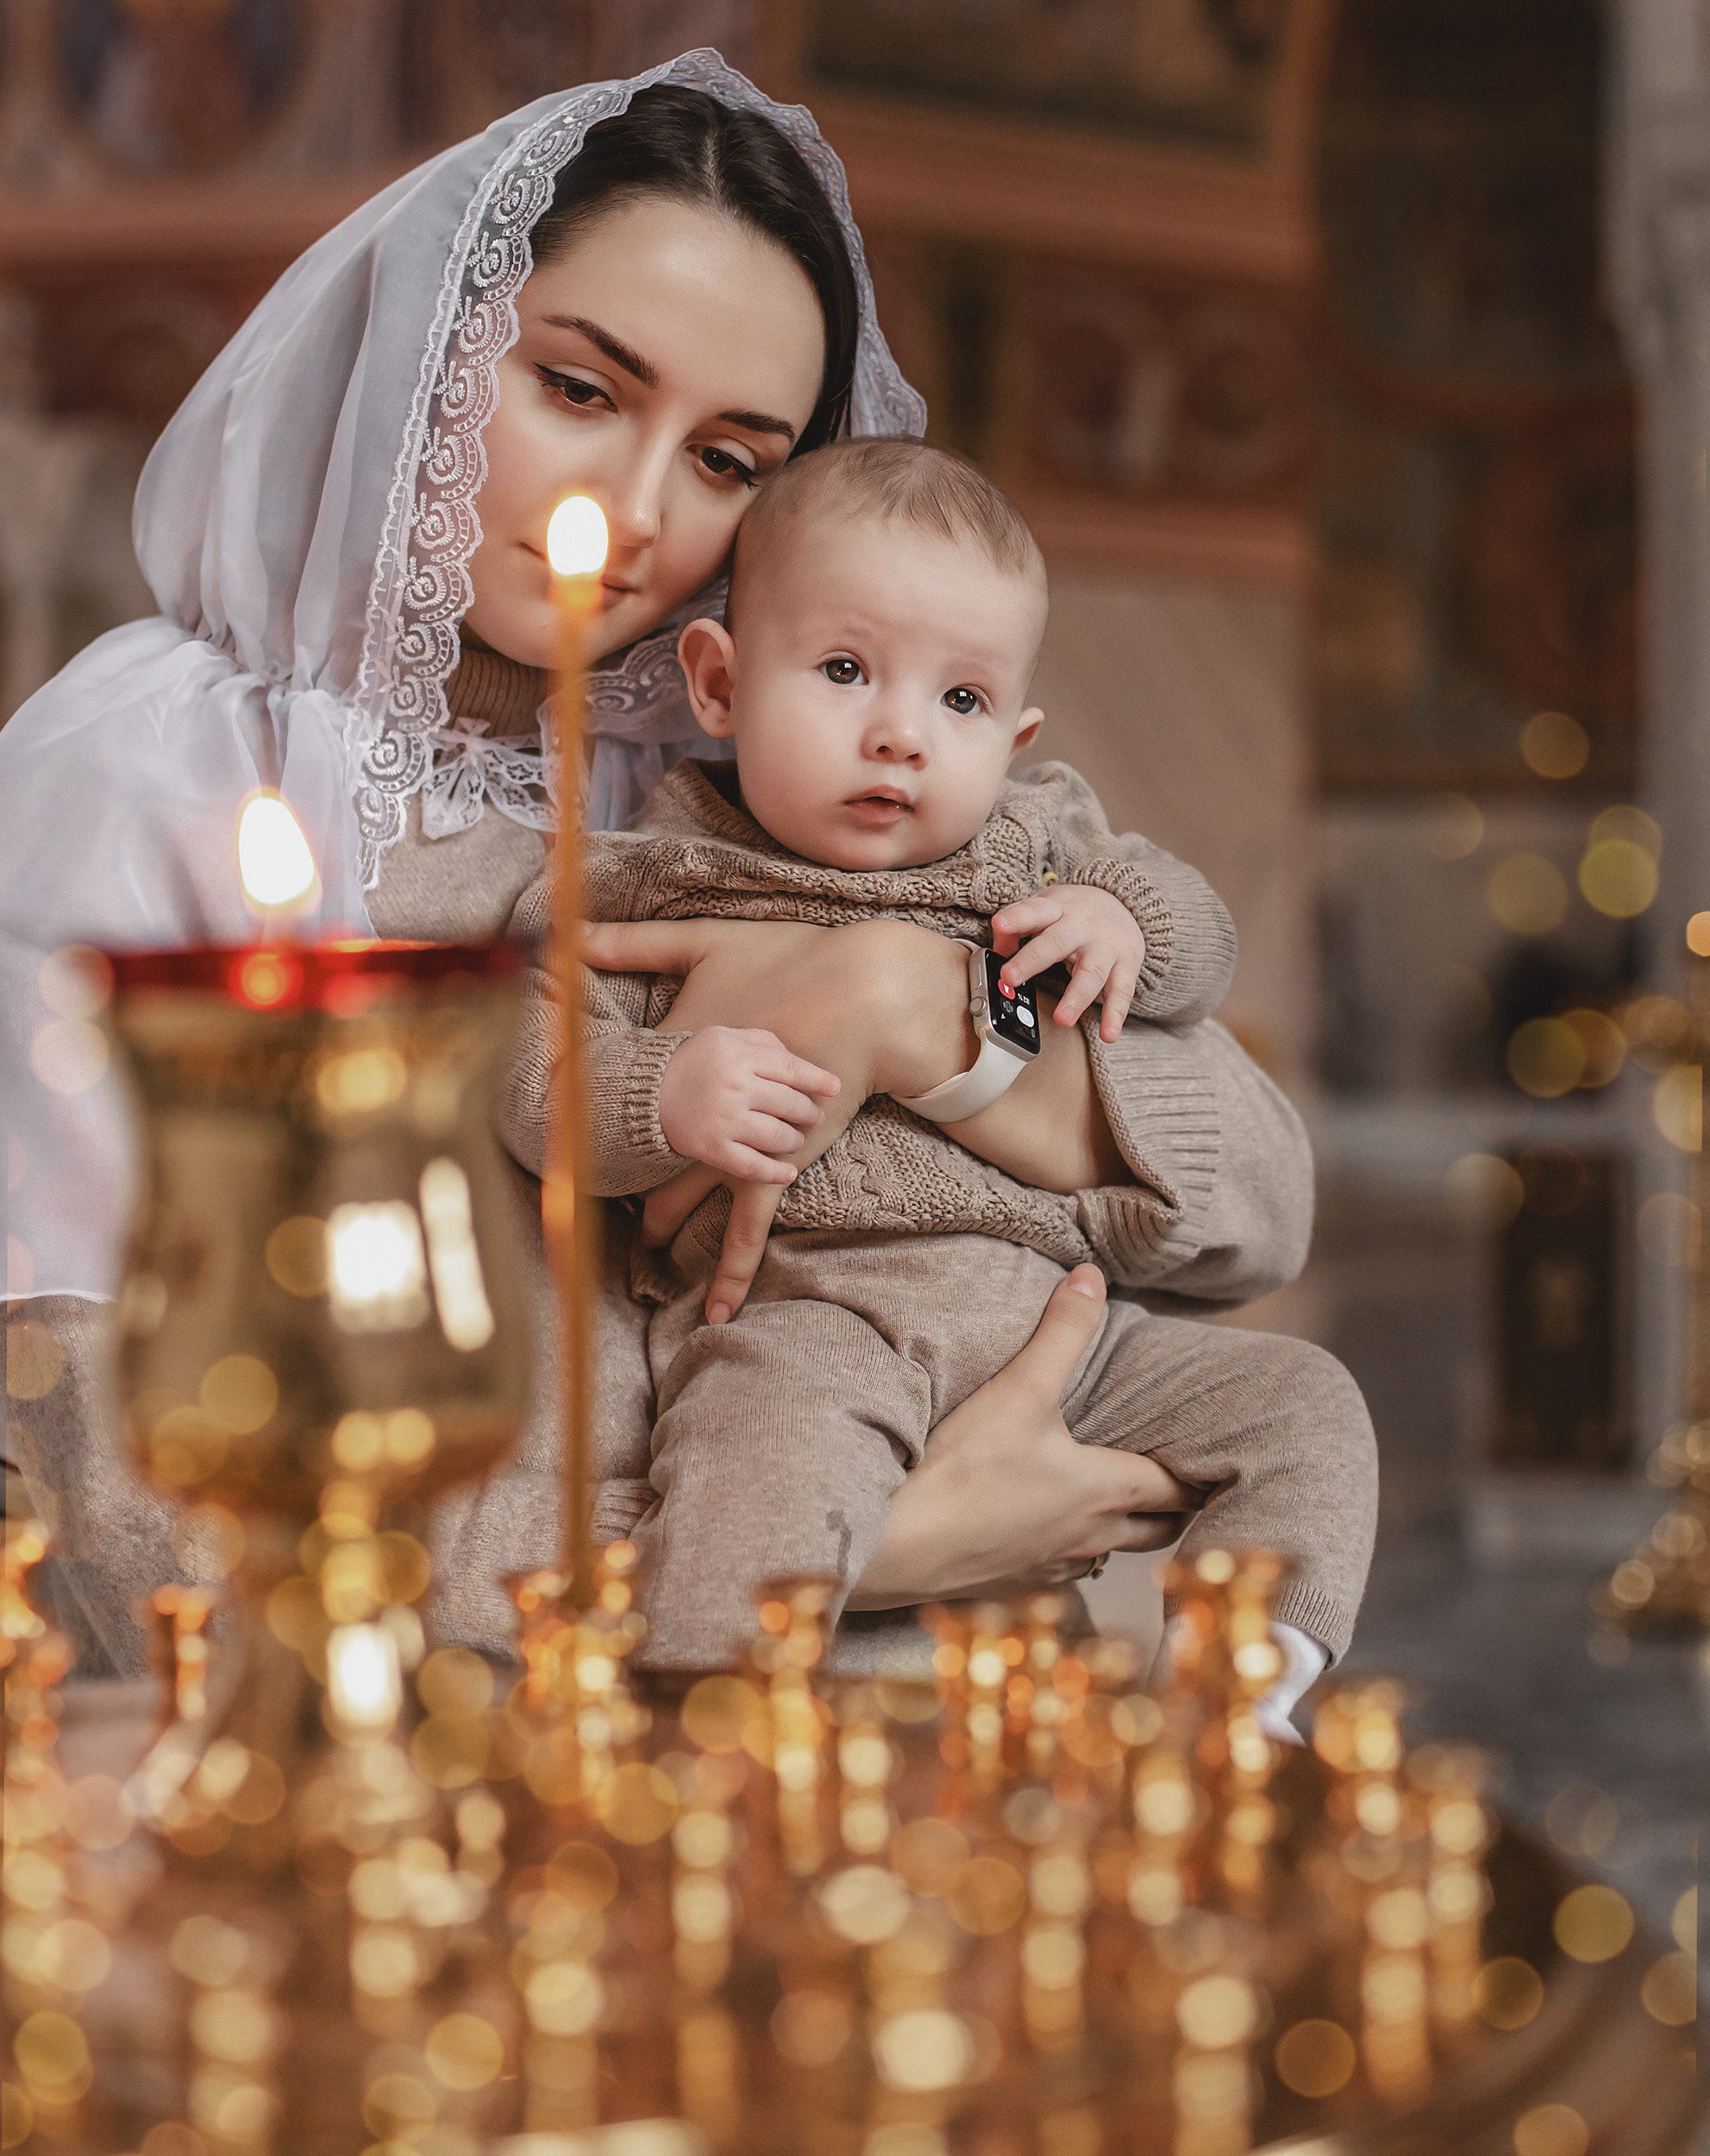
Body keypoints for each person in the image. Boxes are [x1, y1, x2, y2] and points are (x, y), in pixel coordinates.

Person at [0, 56, 1347, 1679]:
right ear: (425, 348)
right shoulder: (147, 777)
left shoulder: (753, 759)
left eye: (727, 462)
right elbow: (128, 1509)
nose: (634, 514)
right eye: (579, 390)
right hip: (449, 1758)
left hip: (888, 1724)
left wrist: (916, 1009)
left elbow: (1257, 1216)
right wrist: (857, 1549)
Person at [498, 438, 1374, 1699]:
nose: (901, 735)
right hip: (807, 1325)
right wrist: (663, 1094)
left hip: (1060, 1329)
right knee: (754, 1481)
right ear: (721, 684)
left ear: (1016, 735)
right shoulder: (647, 880)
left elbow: (1196, 936)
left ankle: (1240, 1694)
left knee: (1302, 1404)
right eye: (845, 671)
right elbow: (533, 1072)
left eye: (961, 701)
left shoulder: (1038, 841)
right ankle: (712, 1744)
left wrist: (1127, 923)